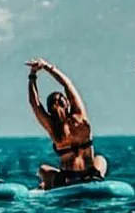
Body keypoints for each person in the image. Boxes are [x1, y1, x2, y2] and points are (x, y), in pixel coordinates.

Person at [26, 58, 108, 189]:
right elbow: (67, 84)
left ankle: (45, 186)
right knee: (101, 159)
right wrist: (47, 67)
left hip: (67, 179)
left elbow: (34, 103)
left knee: (42, 170)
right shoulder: (80, 119)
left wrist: (32, 75)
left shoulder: (52, 128)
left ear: (49, 110)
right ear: (68, 103)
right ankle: (95, 178)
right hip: (89, 174)